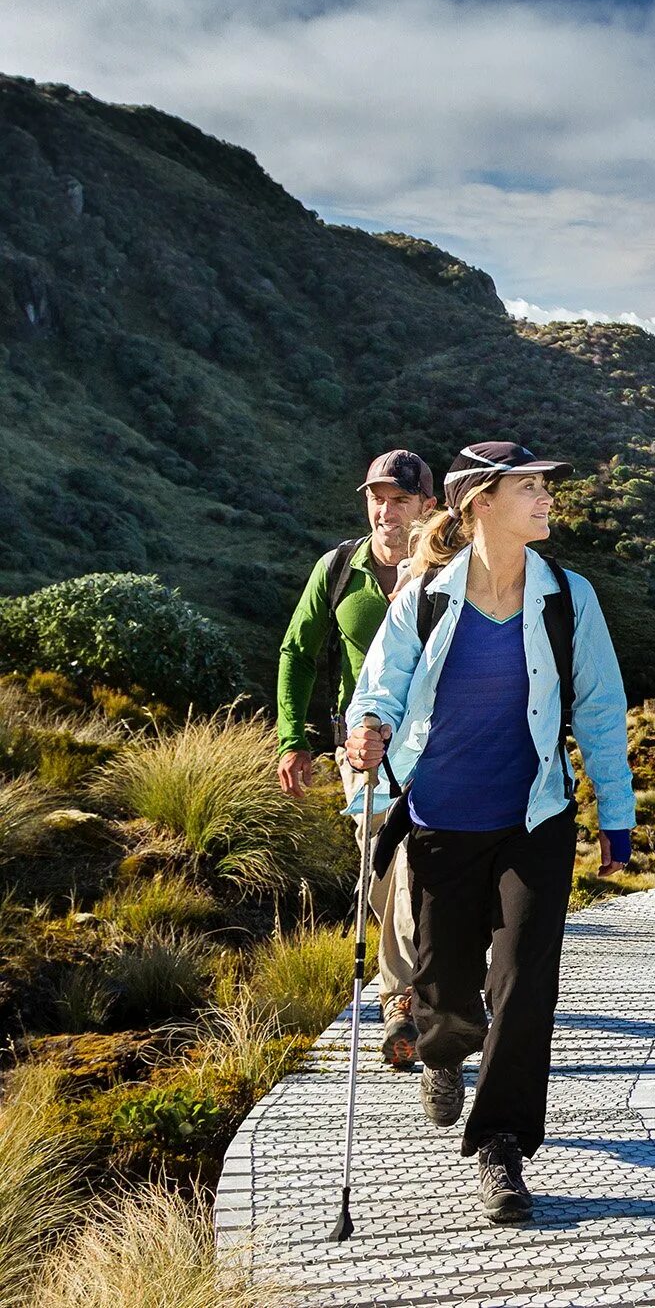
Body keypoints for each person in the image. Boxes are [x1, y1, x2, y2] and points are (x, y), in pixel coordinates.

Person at [342, 440, 635, 1225]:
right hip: (440, 822)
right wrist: (365, 731)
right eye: (530, 488)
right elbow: (376, 695)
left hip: (533, 820)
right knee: (445, 989)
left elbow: (601, 709)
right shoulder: (426, 600)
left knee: (524, 983)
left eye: (546, 486)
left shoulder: (568, 597)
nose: (547, 500)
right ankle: (441, 1047)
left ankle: (501, 1146)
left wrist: (617, 812)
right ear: (481, 503)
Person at [275, 450, 435, 1067]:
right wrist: (294, 738)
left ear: (428, 506)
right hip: (362, 746)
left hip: (440, 747)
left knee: (425, 863)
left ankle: (420, 984)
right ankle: (404, 997)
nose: (386, 511)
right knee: (384, 859)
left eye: (400, 499)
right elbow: (298, 650)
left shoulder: (451, 570)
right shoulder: (340, 569)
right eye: (377, 498)